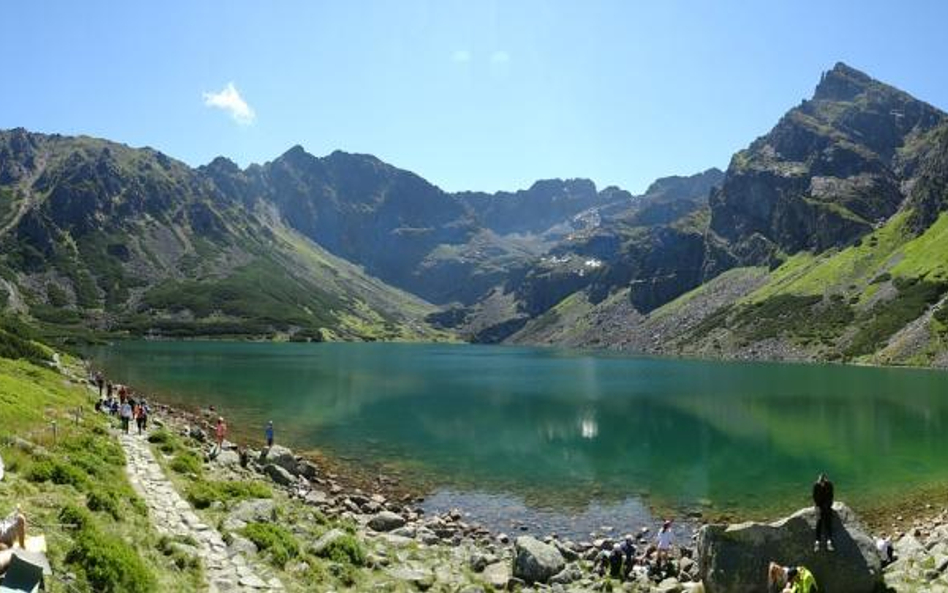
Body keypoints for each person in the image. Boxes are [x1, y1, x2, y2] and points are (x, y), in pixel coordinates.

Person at [812, 473, 835, 552]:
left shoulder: (829, 485)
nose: (821, 484)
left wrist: (827, 506)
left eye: (822, 482)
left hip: (827, 505)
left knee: (828, 522)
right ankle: (817, 542)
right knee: (819, 522)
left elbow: (831, 496)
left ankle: (829, 542)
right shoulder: (816, 485)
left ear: (825, 480)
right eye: (820, 482)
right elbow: (815, 498)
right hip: (819, 505)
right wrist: (818, 508)